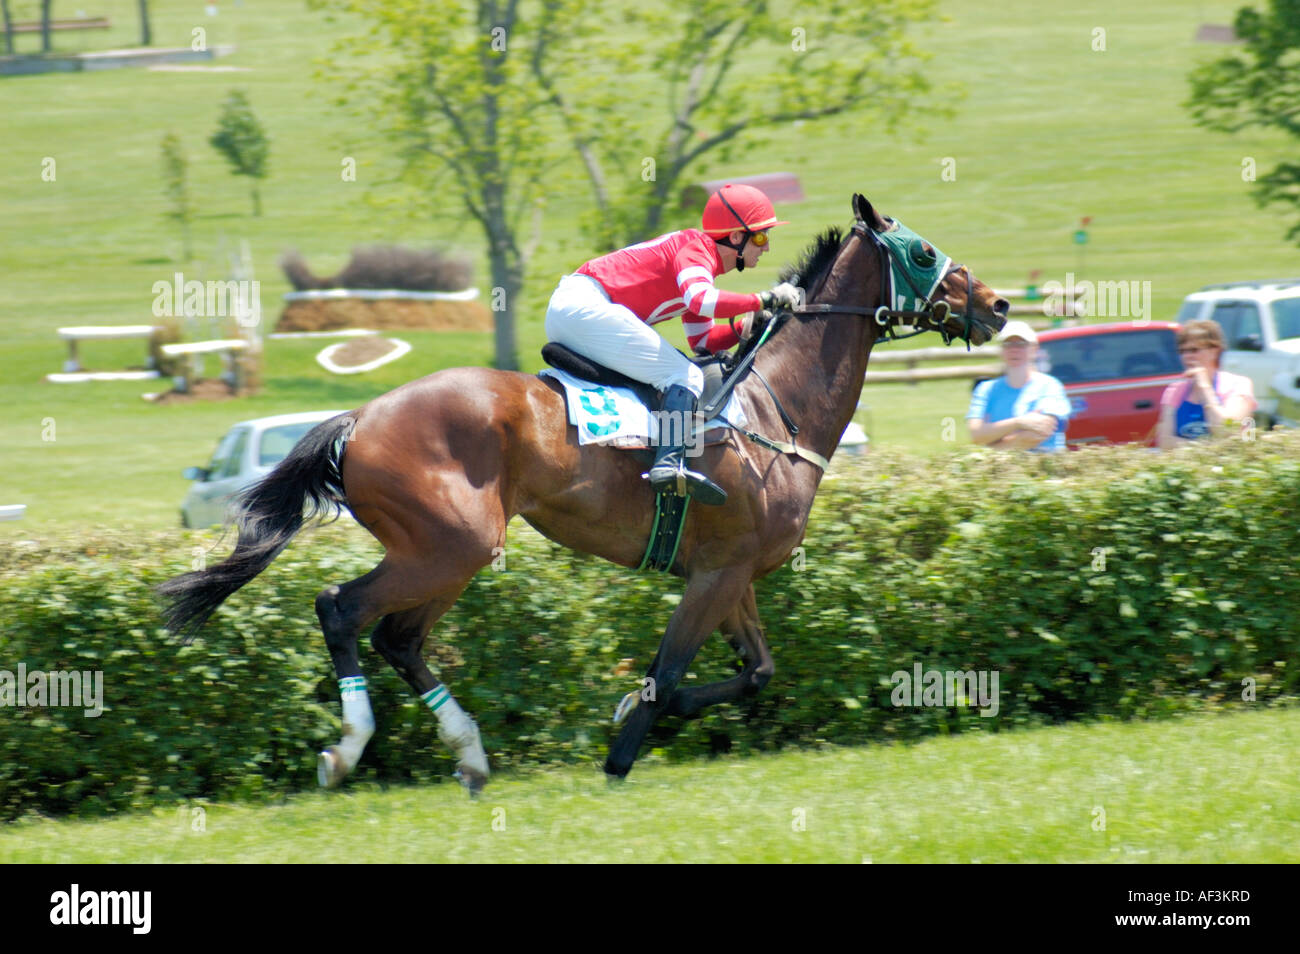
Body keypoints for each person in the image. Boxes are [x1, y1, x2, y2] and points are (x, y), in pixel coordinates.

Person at [544, 183, 801, 505]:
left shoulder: (700, 265)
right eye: (761, 236)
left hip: (576, 310)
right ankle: (668, 464)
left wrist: (745, 326)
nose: (766, 247)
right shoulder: (696, 249)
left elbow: (703, 341)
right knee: (686, 377)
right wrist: (763, 298)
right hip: (584, 306)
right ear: (736, 236)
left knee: (681, 368)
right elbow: (702, 300)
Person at [967, 320, 1071, 452]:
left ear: (1034, 349)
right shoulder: (986, 389)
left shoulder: (1050, 386)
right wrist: (1020, 422)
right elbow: (976, 435)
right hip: (1002, 470)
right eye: (1008, 344)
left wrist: (992, 446)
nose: (1014, 349)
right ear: (1001, 350)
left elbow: (1039, 433)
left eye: (1021, 344)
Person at [1156, 319, 1256, 449]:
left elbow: (1226, 431)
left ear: (1214, 351)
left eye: (1194, 350)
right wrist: (1207, 450)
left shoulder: (1238, 385)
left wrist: (1204, 386)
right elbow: (1165, 443)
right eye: (1182, 351)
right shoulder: (1175, 391)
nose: (1187, 356)